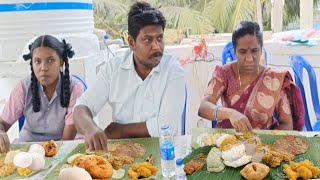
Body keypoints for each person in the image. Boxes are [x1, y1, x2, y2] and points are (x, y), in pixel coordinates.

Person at [73, 1, 185, 151]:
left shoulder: (173, 71)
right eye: (148, 40)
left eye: (160, 38)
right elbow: (82, 107)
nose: (156, 46)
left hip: (163, 152)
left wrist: (121, 130)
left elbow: (166, 126)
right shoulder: (113, 68)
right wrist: (89, 128)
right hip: (119, 151)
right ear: (131, 43)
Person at [198, 21, 304, 132]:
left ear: (261, 49)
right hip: (230, 143)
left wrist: (262, 144)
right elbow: (203, 107)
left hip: (263, 144)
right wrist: (231, 113)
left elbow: (287, 125)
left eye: (254, 51)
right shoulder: (224, 73)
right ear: (235, 51)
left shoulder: (274, 79)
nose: (249, 58)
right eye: (242, 52)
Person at [0, 35, 84, 153]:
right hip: (29, 150)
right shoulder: (24, 87)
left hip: (63, 150)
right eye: (37, 61)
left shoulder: (75, 88)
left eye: (50, 60)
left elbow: (67, 139)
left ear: (61, 62)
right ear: (32, 64)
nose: (43, 68)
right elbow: (2, 123)